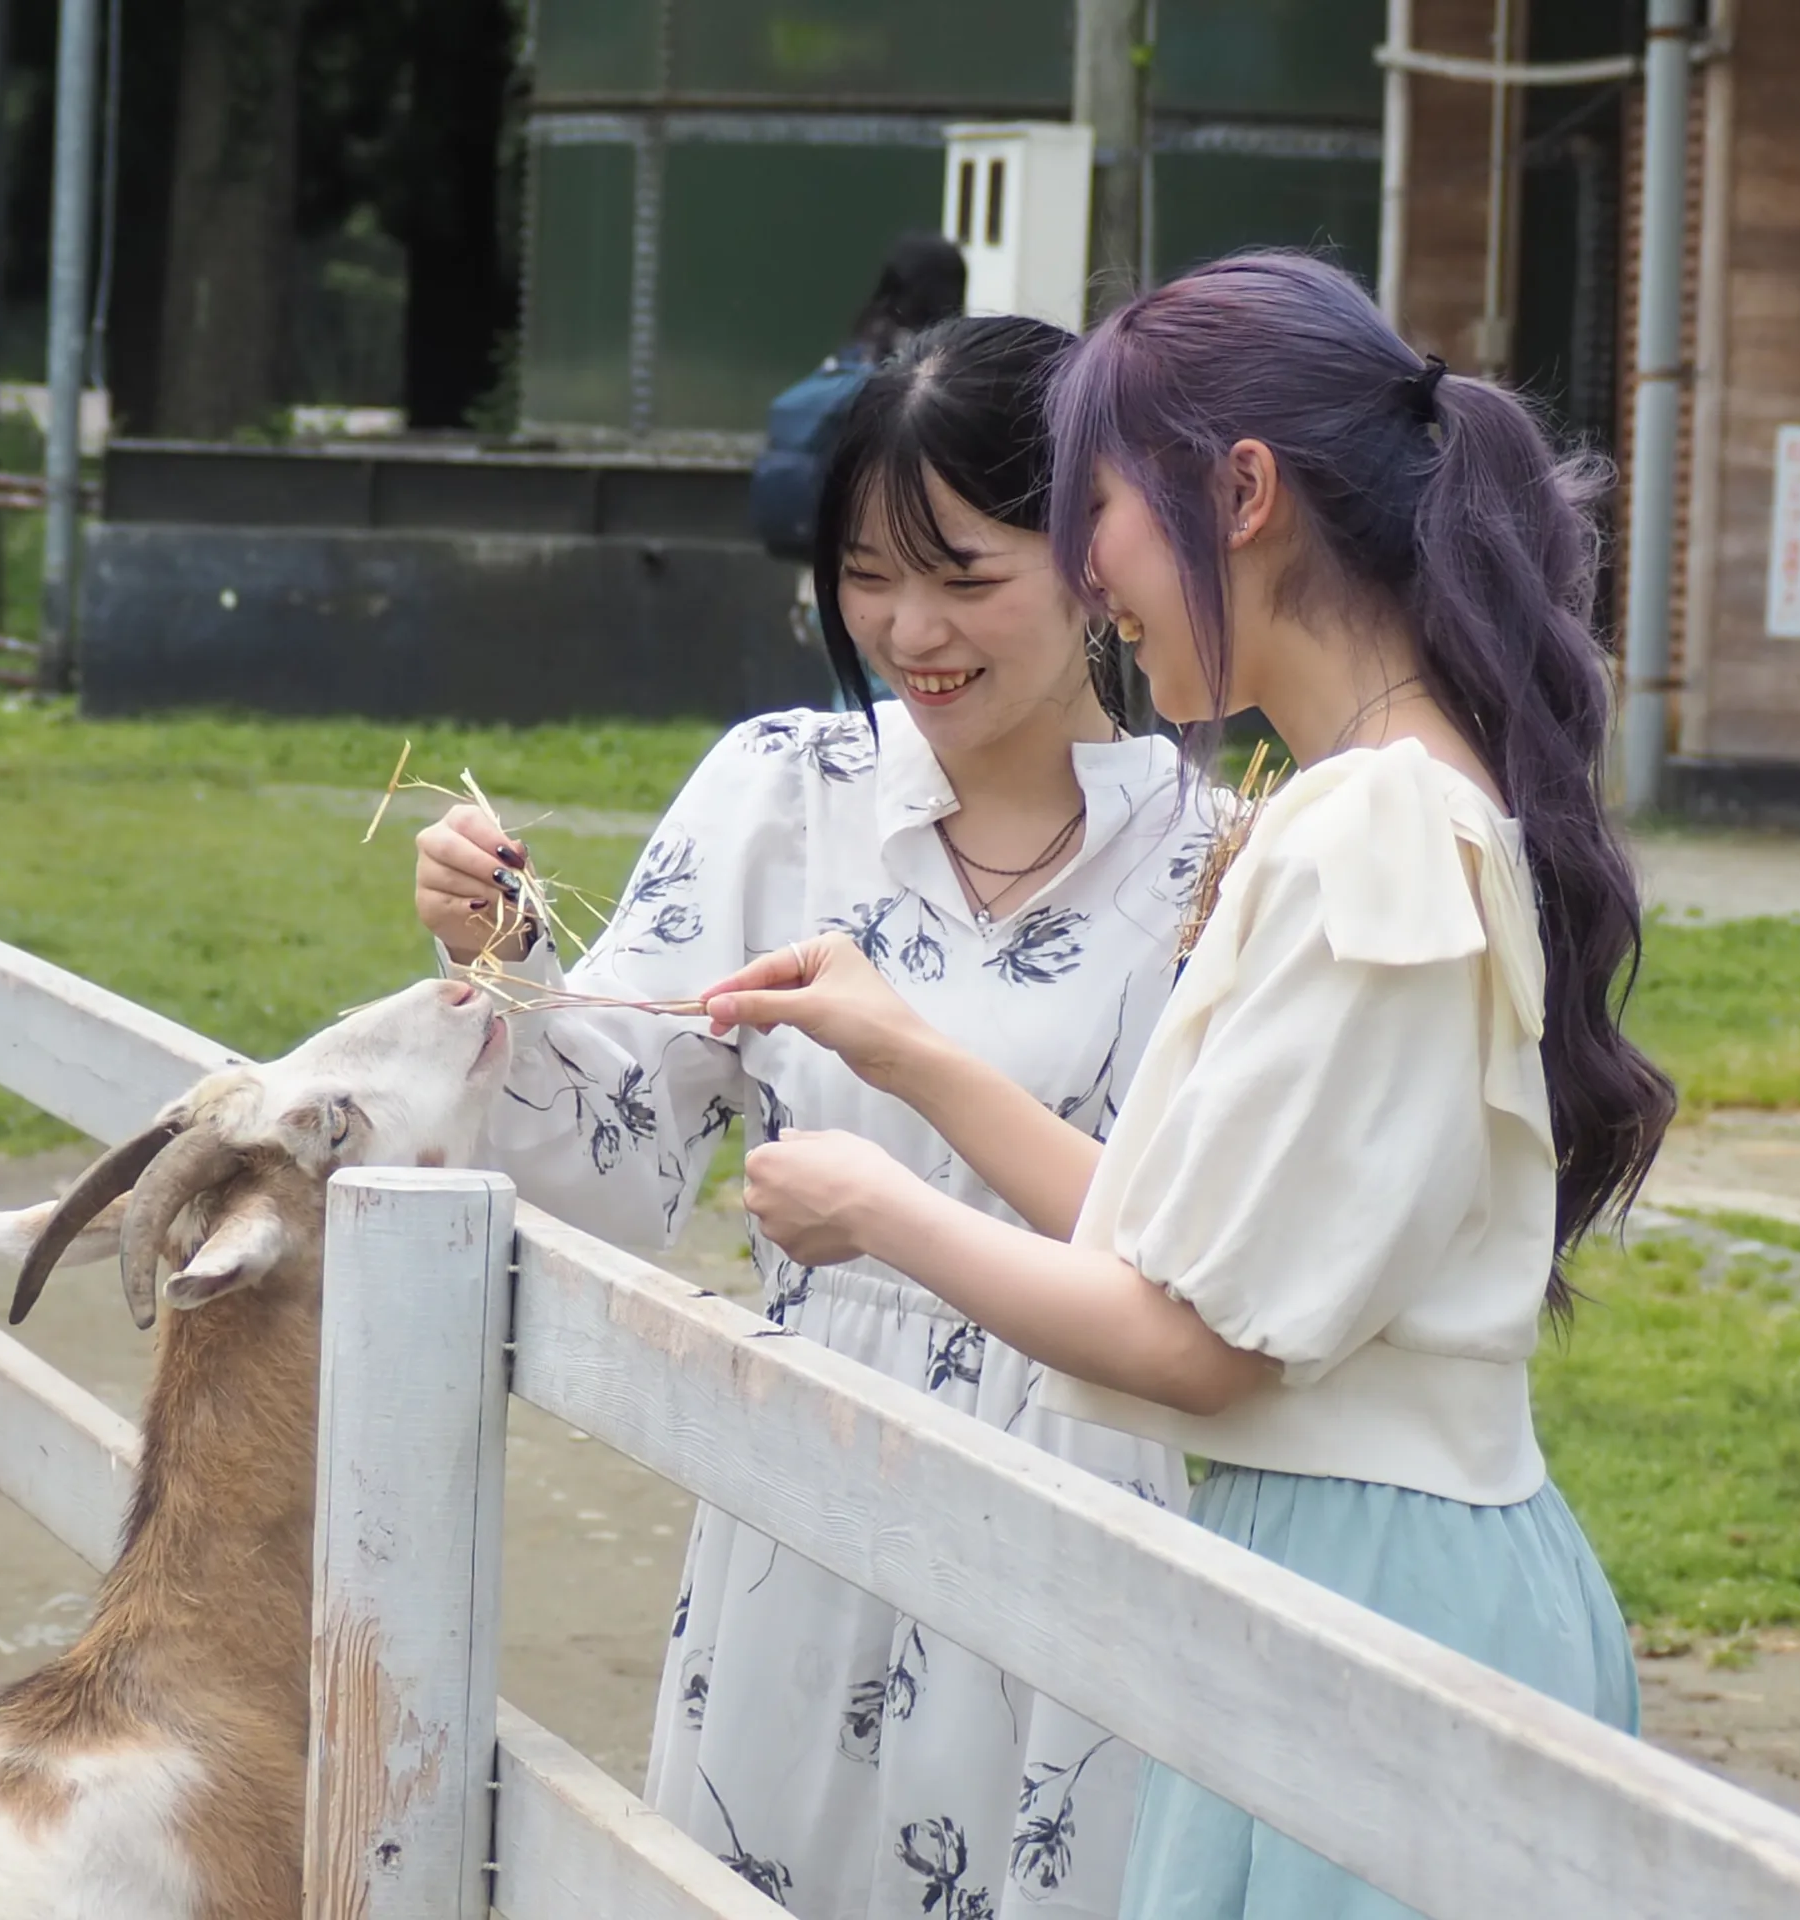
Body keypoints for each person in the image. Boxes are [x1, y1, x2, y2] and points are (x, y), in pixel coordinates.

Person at [700, 252, 1676, 1920]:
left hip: (1377, 1595)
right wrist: (909, 1055)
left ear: (1242, 495)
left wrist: (876, 1207)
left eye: (1099, 509)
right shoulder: (1371, 802)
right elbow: (1187, 1245)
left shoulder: (1373, 826)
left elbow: (1196, 1345)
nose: (1088, 571)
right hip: (1353, 1565)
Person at [415, 313, 1219, 1920]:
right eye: (865, 575)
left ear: (1094, 556)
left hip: (1085, 1485)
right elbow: (610, 1170)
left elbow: (1208, 1253)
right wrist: (506, 957)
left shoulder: (1211, 856)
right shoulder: (780, 790)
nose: (912, 630)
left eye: (966, 577)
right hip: (804, 1480)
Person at [752, 232, 970, 707]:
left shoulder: (854, 349)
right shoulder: (928, 373)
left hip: (826, 582)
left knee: (854, 704)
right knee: (891, 716)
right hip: (898, 587)